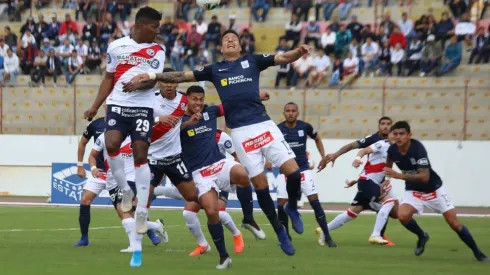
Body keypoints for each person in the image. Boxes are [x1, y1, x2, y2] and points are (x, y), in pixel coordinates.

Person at [122, 30, 312, 256]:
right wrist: (153, 77)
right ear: (221, 48)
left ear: (240, 46)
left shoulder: (253, 61)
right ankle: (280, 232)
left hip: (263, 124)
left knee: (293, 172)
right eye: (225, 40)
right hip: (240, 131)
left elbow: (281, 58)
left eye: (234, 39)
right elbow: (182, 76)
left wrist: (297, 53)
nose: (230, 41)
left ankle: (291, 205)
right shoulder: (215, 69)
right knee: (259, 185)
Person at [83, 7, 164, 268]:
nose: (157, 31)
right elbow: (108, 79)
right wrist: (96, 105)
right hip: (117, 105)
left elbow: (153, 81)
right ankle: (126, 189)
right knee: (111, 144)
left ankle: (135, 195)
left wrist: (138, 84)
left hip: (142, 108)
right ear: (141, 25)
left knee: (140, 153)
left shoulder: (157, 51)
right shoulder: (116, 47)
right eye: (154, 27)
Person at [179, 86, 265, 268]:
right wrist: (188, 124)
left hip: (219, 164)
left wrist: (256, 97)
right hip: (199, 173)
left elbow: (231, 104)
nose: (198, 103)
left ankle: (248, 219)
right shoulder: (180, 121)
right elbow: (171, 131)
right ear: (187, 99)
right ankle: (224, 256)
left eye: (201, 99)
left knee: (242, 174)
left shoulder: (210, 113)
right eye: (194, 99)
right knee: (211, 212)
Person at [384, 121, 488, 261]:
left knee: (455, 224)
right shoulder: (392, 150)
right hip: (413, 191)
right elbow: (389, 162)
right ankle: (422, 236)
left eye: (402, 134)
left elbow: (425, 177)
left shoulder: (418, 149)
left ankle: (477, 252)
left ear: (409, 135)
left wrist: (400, 176)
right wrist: (386, 179)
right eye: (395, 134)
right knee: (402, 216)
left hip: (434, 190)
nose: (398, 137)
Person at [73, 111, 162, 248]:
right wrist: (90, 167)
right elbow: (89, 150)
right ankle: (84, 238)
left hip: (128, 178)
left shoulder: (134, 134)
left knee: (127, 208)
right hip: (104, 175)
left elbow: (148, 125)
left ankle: (145, 237)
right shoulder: (99, 129)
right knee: (87, 199)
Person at [318, 116, 395, 245]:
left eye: (388, 124)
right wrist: (337, 155)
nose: (385, 126)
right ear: (379, 126)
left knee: (353, 212)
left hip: (373, 181)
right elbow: (355, 146)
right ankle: (377, 235)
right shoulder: (375, 140)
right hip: (370, 182)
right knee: (388, 204)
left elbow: (385, 165)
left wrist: (359, 179)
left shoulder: (394, 144)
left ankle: (324, 230)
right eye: (383, 124)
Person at [88, 133, 168, 252]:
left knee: (123, 209)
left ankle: (134, 246)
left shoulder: (136, 136)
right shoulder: (104, 136)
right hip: (112, 183)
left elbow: (154, 155)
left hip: (131, 179)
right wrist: (93, 168)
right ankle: (156, 226)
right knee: (128, 218)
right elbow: (92, 155)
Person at [275, 102, 336, 247]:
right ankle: (286, 238)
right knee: (281, 205)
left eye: (293, 111)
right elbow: (271, 146)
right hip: (286, 171)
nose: (290, 113)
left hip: (303, 170)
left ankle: (327, 236)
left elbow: (317, 138)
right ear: (284, 113)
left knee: (315, 202)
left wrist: (323, 157)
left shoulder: (305, 127)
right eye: (288, 111)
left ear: (298, 113)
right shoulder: (278, 129)